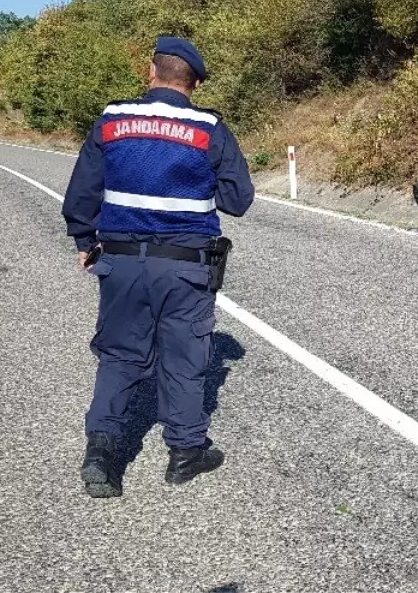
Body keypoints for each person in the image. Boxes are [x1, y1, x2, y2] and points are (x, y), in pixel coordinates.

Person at [62, 37, 255, 499]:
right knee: (185, 357)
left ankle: (102, 454)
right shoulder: (210, 129)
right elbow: (238, 200)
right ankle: (186, 453)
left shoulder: (112, 122)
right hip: (186, 266)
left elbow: (82, 193)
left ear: (152, 71)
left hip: (122, 261)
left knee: (121, 355)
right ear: (197, 83)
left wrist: (85, 241)